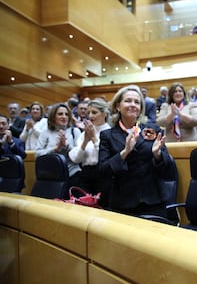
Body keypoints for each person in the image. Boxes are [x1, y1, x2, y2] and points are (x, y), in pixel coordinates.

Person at [98, 85, 172, 217]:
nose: (133, 105)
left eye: (137, 102)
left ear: (140, 109)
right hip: (122, 203)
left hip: (154, 201)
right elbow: (103, 172)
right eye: (128, 101)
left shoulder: (154, 130)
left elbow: (169, 171)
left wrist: (158, 155)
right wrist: (125, 152)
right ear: (117, 106)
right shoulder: (107, 135)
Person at [69, 99, 111, 207]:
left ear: (105, 114)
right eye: (88, 113)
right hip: (86, 175)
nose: (90, 116)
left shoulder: (111, 132)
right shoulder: (84, 133)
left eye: (94, 112)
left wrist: (93, 138)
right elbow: (76, 159)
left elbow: (107, 157)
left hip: (103, 175)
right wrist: (85, 142)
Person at [35, 103, 82, 191]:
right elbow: (37, 155)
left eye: (66, 114)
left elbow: (79, 154)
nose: (64, 117)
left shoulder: (75, 131)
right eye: (60, 114)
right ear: (53, 116)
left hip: (73, 175)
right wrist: (55, 148)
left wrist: (66, 145)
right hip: (51, 177)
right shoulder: (45, 132)